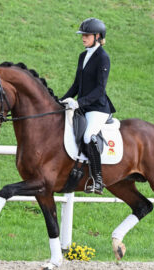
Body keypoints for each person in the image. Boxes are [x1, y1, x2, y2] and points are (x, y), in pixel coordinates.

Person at [61, 18, 116, 195]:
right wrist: (61, 100)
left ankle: (98, 180)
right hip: (83, 106)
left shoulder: (103, 58)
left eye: (86, 35)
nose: (83, 38)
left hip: (98, 108)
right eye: (82, 35)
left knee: (87, 136)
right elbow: (77, 85)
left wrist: (79, 102)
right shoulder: (83, 56)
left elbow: (100, 90)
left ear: (97, 36)